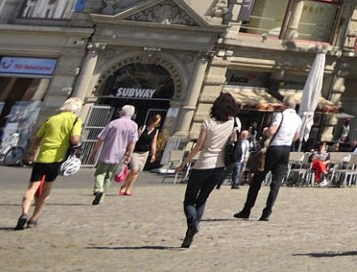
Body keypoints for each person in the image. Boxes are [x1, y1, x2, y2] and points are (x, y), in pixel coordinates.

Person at [180, 93, 241, 249]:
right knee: (202, 199)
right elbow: (233, 143)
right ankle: (191, 231)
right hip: (219, 167)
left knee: (189, 200)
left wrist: (183, 164)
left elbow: (198, 147)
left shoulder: (207, 123)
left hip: (202, 165)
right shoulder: (233, 123)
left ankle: (192, 224)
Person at [18, 98, 81, 229]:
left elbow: (37, 139)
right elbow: (75, 139)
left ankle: (24, 213)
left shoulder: (51, 119)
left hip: (42, 158)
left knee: (32, 189)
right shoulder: (75, 120)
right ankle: (34, 218)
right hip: (57, 160)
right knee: (46, 190)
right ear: (77, 109)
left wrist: (31, 153)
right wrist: (78, 141)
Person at [235, 101, 302, 220]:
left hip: (275, 148)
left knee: (257, 179)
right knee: (276, 183)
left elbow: (272, 131)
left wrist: (266, 130)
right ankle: (267, 212)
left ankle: (247, 209)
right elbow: (296, 137)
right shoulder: (298, 118)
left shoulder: (280, 115)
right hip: (286, 150)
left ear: (284, 105)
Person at [93, 105, 139, 205]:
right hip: (119, 155)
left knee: (100, 173)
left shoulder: (113, 123)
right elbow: (132, 142)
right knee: (109, 176)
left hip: (107, 152)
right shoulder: (134, 125)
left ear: (122, 112)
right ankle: (101, 198)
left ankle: (99, 189)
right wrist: (129, 155)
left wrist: (94, 150)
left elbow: (101, 138)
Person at [120, 112, 165, 195]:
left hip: (144, 153)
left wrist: (153, 154)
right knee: (134, 169)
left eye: (158, 121)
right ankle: (124, 186)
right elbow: (134, 139)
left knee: (136, 172)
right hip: (136, 152)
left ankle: (127, 188)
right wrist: (129, 151)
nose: (156, 123)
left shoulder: (156, 131)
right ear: (152, 120)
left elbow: (153, 143)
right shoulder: (143, 127)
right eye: (156, 121)